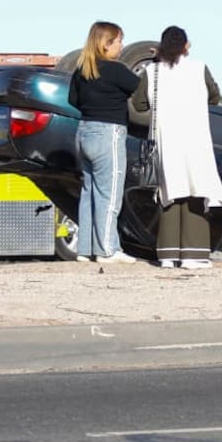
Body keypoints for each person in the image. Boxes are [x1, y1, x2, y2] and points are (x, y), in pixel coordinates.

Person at [130, 26, 222, 270]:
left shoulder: (151, 72)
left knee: (170, 194)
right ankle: (193, 256)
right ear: (186, 46)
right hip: (196, 139)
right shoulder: (199, 68)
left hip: (167, 140)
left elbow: (140, 104)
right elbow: (214, 97)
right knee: (195, 191)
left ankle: (167, 255)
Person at [67, 21, 140, 264]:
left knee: (89, 193)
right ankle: (107, 249)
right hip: (108, 133)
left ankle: (85, 249)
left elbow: (73, 100)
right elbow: (140, 89)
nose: (122, 46)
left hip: (84, 132)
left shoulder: (82, 70)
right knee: (109, 194)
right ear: (107, 43)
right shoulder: (116, 70)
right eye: (119, 41)